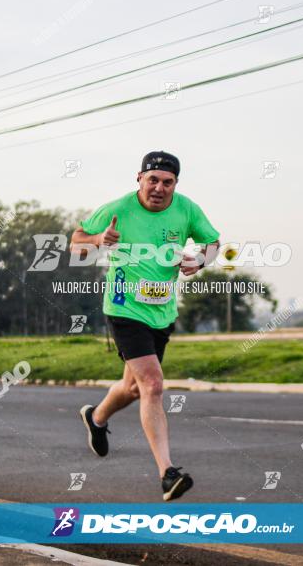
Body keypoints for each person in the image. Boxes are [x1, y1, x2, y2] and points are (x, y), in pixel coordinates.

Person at [71, 151, 219, 501]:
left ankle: (97, 417)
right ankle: (167, 473)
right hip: (123, 307)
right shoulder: (117, 209)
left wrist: (200, 260)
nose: (159, 188)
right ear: (139, 178)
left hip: (161, 312)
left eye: (167, 182)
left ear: (175, 184)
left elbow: (213, 243)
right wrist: (97, 241)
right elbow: (74, 242)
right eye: (152, 180)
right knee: (152, 384)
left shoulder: (187, 209)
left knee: (135, 388)